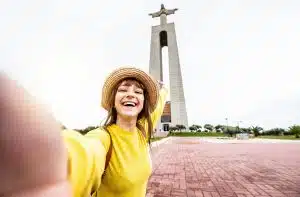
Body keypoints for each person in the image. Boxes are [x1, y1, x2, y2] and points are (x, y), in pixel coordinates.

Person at [0, 66, 168, 197]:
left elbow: (158, 107)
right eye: (123, 90)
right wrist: (53, 165)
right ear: (113, 101)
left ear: (143, 102)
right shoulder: (104, 139)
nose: (131, 94)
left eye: (138, 92)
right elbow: (86, 153)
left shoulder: (142, 130)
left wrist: (163, 89)